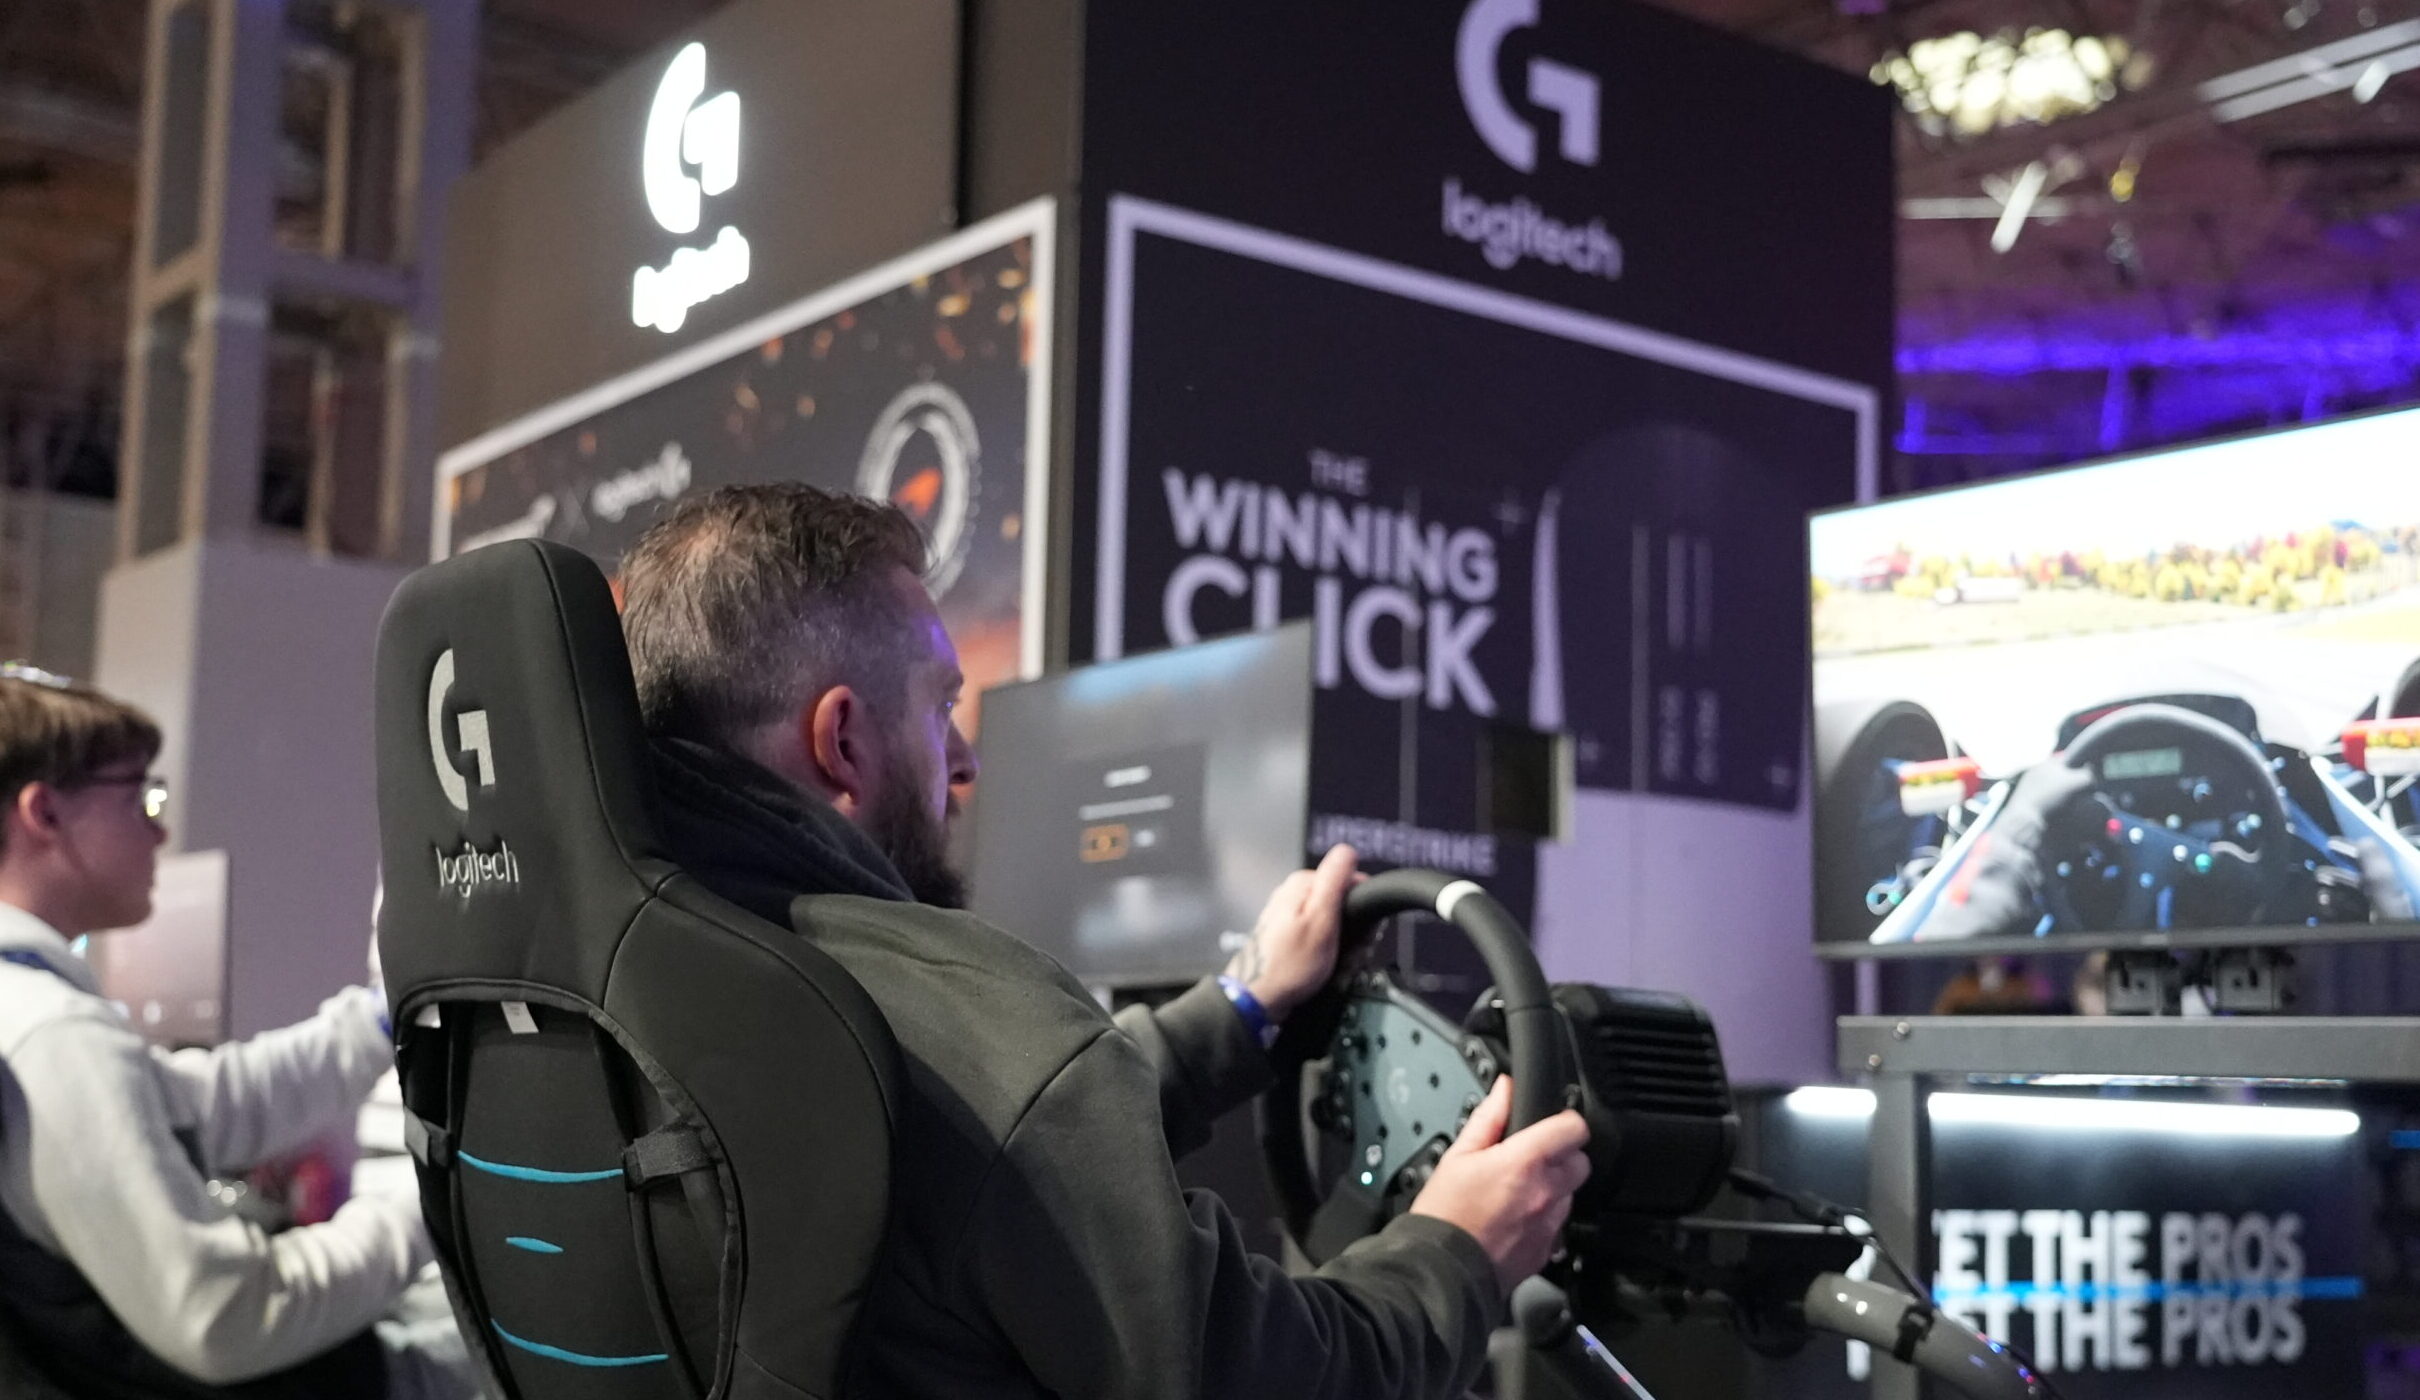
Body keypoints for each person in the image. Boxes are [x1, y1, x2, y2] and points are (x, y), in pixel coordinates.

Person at [618, 484, 1592, 1399]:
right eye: (941, 706)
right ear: (841, 741)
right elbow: (1260, 1373)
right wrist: (1455, 1252)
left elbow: (987, 1149)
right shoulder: (958, 1010)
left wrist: (1243, 1005)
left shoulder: (631, 981)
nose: (962, 759)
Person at [0, 666, 474, 1399]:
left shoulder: (29, 1010)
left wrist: (387, 1013)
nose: (159, 829)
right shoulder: (54, 1039)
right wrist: (426, 1211)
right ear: (46, 814)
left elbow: (205, 1103)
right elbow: (222, 1317)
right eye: (138, 797)